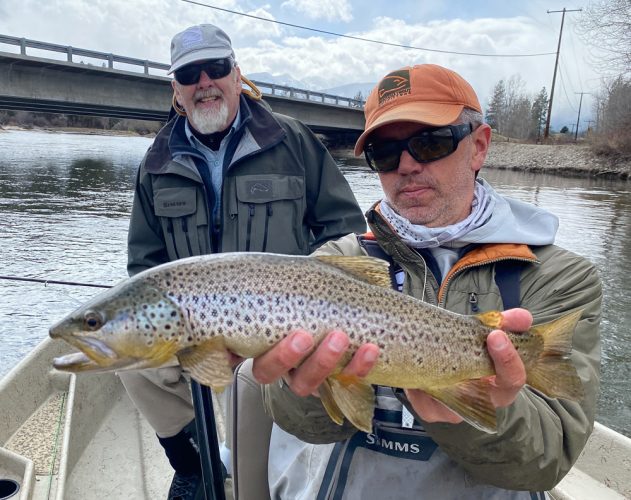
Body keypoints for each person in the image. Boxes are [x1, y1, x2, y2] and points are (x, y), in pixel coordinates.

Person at [244, 64, 602, 498]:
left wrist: (466, 411)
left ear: (479, 147)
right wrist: (302, 388)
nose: (407, 165)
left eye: (430, 143)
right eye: (386, 152)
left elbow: (548, 460)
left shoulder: (562, 277)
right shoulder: (337, 262)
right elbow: (301, 426)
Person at [119, 23, 366, 500]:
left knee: (249, 395)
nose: (205, 82)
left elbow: (346, 231)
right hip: (195, 330)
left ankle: (244, 476)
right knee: (128, 362)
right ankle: (194, 465)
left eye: (217, 68)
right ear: (176, 89)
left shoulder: (291, 141)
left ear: (237, 74)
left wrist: (319, 302)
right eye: (190, 73)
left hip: (283, 329)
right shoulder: (155, 162)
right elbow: (143, 265)